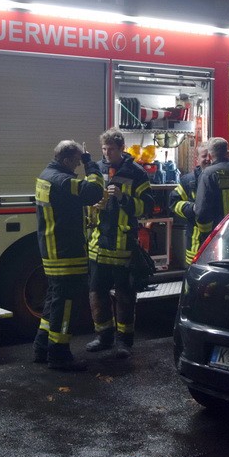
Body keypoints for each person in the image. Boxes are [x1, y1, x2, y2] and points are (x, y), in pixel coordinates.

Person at [32, 140, 104, 372]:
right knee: (66, 306)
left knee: (54, 301)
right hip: (66, 252)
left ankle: (41, 347)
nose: (77, 165)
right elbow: (94, 192)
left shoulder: (46, 175)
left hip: (53, 250)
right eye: (76, 161)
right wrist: (91, 164)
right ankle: (59, 355)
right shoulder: (62, 180)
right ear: (66, 160)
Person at [86, 128, 154, 359]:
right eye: (103, 149)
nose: (106, 154)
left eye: (111, 149)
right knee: (96, 292)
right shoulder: (97, 169)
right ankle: (103, 336)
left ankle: (124, 341)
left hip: (123, 244)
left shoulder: (137, 173)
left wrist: (123, 199)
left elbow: (146, 207)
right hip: (98, 243)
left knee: (125, 295)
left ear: (122, 148)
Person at [169, 143, 210, 266]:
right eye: (204, 156)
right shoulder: (188, 181)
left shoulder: (220, 178)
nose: (208, 159)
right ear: (197, 159)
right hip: (195, 244)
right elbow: (173, 202)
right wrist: (192, 208)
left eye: (210, 156)